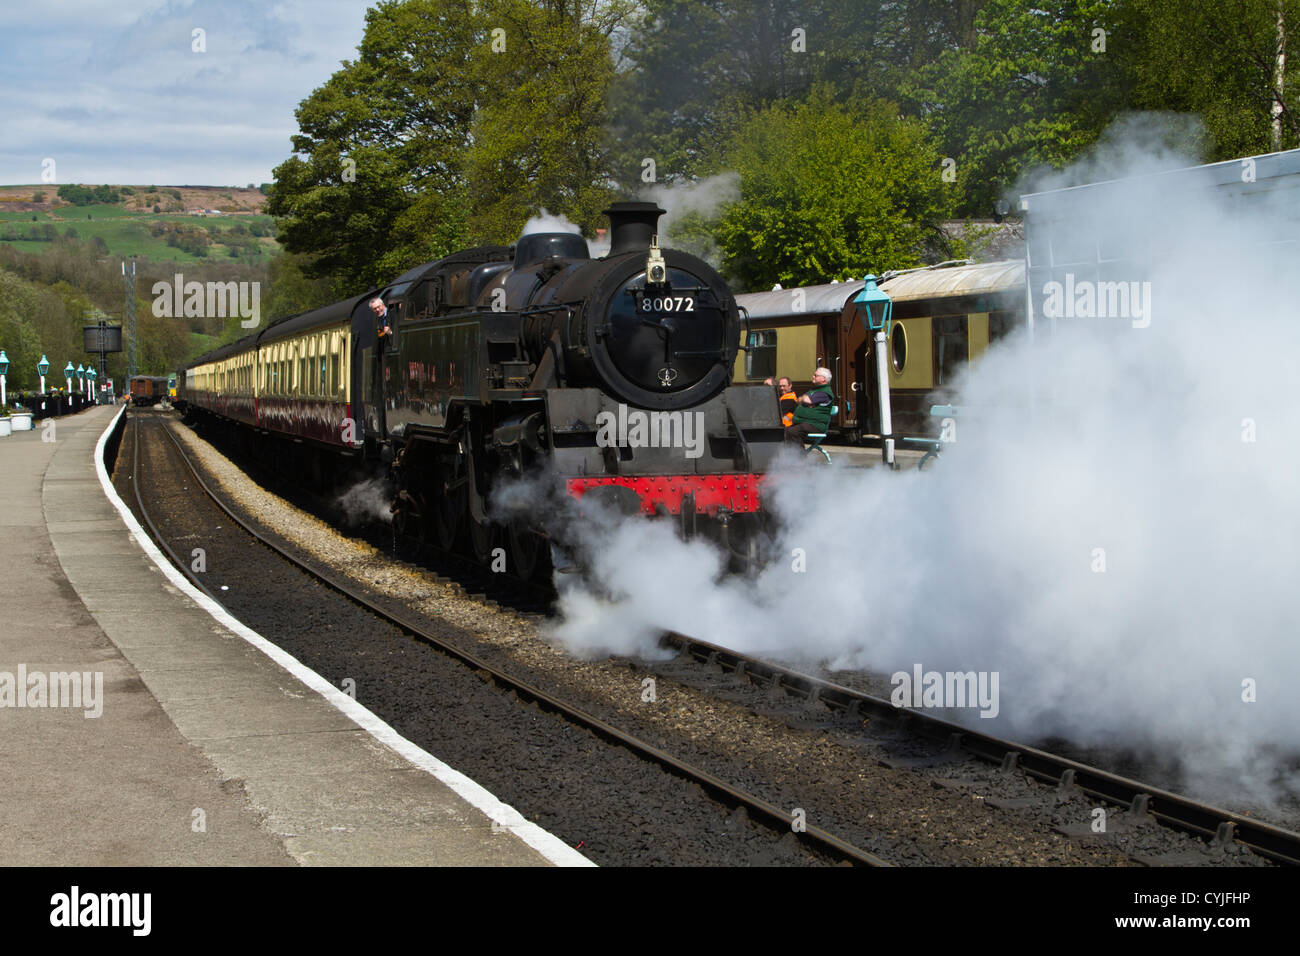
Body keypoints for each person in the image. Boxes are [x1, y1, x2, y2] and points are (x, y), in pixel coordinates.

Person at [784, 367, 834, 445]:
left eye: (816, 375)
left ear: (823, 379)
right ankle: (789, 455)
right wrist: (804, 400)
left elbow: (806, 400)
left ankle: (800, 456)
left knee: (792, 432)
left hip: (816, 425)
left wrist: (805, 400)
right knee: (784, 431)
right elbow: (799, 400)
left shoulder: (824, 393)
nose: (813, 376)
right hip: (805, 423)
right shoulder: (814, 390)